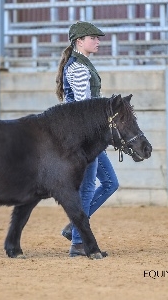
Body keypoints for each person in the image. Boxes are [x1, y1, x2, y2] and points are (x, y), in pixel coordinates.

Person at [54, 21, 119, 257]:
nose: (98, 41)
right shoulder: (78, 68)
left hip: (85, 135)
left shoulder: (81, 64)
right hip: (83, 137)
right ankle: (78, 243)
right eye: (93, 38)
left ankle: (75, 228)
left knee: (109, 183)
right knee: (90, 186)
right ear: (79, 41)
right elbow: (84, 106)